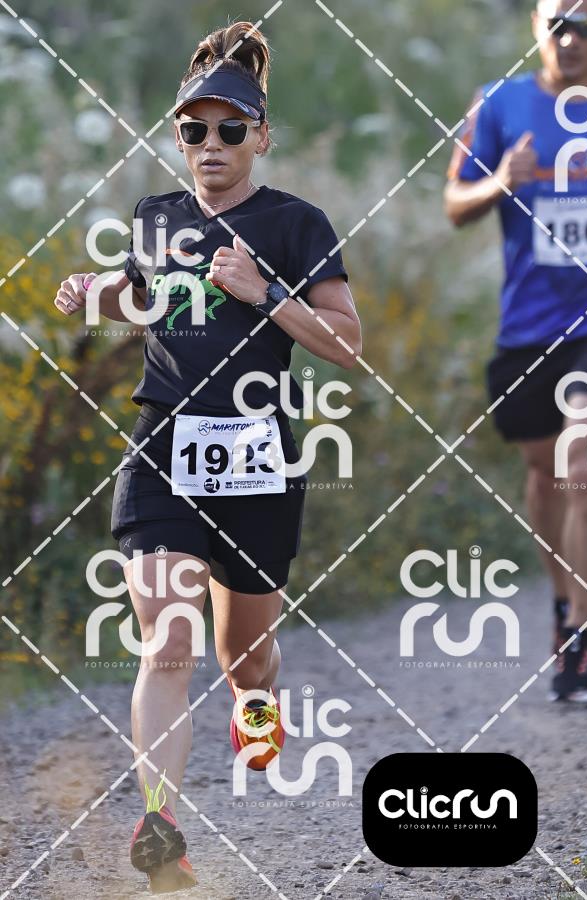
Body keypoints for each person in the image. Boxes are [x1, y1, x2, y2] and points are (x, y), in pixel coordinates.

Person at [54, 21, 361, 893]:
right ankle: (162, 829)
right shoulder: (156, 216)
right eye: (196, 129)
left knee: (243, 659)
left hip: (257, 458)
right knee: (168, 640)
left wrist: (265, 293)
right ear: (179, 136)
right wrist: (94, 291)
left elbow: (347, 345)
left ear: (262, 136)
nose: (212, 143)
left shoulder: (296, 224)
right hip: (163, 447)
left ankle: (257, 700)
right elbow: (146, 294)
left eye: (232, 128)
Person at [444, 0, 587, 702]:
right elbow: (454, 205)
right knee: (546, 475)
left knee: (583, 460)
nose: (571, 39)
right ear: (536, 26)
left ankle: (582, 637)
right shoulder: (498, 104)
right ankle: (564, 602)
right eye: (558, 24)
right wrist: (502, 178)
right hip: (529, 329)